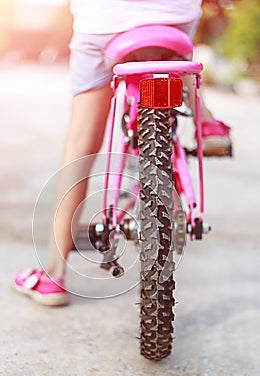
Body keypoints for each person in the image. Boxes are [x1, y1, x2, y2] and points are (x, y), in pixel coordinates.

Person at [13, 0, 232, 306]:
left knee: (81, 145)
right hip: (174, 17)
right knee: (175, 50)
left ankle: (53, 275)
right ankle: (205, 121)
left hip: (105, 21)